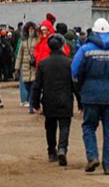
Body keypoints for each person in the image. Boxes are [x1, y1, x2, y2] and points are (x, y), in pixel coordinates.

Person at [71, 18, 109, 175]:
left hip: (90, 96)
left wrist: (82, 87)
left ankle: (92, 156)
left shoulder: (85, 50)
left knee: (89, 127)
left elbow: (75, 71)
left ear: (94, 32)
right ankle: (108, 166)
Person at [31, 33, 76, 166]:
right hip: (65, 99)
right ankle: (62, 148)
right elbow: (75, 84)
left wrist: (36, 103)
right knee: (64, 126)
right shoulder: (69, 63)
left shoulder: (43, 64)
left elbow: (37, 85)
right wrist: (81, 102)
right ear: (62, 46)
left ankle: (52, 152)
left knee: (50, 127)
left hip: (49, 99)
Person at [14, 22, 39, 108]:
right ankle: (26, 99)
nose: (31, 30)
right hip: (24, 65)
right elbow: (19, 55)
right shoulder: (23, 41)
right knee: (26, 84)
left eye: (32, 29)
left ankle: (31, 104)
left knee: (33, 85)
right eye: (29, 29)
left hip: (34, 65)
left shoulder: (37, 40)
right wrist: (17, 68)